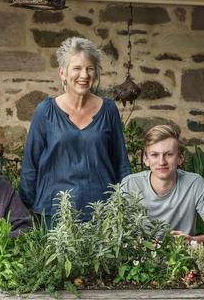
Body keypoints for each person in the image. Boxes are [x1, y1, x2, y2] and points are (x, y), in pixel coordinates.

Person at [20, 37, 130, 228]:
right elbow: (31, 163)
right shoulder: (45, 111)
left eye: (90, 68)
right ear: (62, 73)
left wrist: (124, 204)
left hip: (101, 211)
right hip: (54, 212)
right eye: (77, 68)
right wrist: (26, 207)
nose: (84, 75)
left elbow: (121, 163)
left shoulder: (109, 110)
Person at [121, 125, 204, 243]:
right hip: (138, 257)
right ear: (146, 159)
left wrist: (192, 240)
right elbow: (115, 230)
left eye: (169, 154)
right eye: (154, 155)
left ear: (180, 158)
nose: (162, 162)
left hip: (181, 257)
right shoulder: (130, 184)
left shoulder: (194, 184)